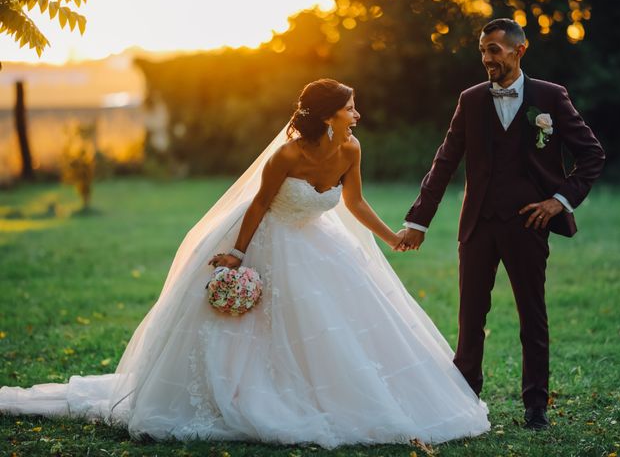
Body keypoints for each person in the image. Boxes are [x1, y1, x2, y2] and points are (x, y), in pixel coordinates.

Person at [0, 79, 489, 448]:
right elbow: (256, 208)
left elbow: (354, 205)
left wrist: (393, 238)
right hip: (271, 241)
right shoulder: (287, 155)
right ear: (327, 115)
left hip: (319, 244)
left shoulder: (351, 148)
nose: (357, 114)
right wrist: (237, 254)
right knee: (258, 329)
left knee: (336, 325)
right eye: (349, 107)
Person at [398, 19, 605, 430]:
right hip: (478, 224)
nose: (487, 58)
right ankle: (464, 399)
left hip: (528, 224)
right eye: (482, 50)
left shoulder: (550, 97)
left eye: (494, 49)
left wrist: (558, 201)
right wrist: (417, 221)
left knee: (533, 315)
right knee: (470, 317)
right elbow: (444, 161)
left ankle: (535, 407)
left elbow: (592, 156)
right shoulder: (471, 99)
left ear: (518, 50)